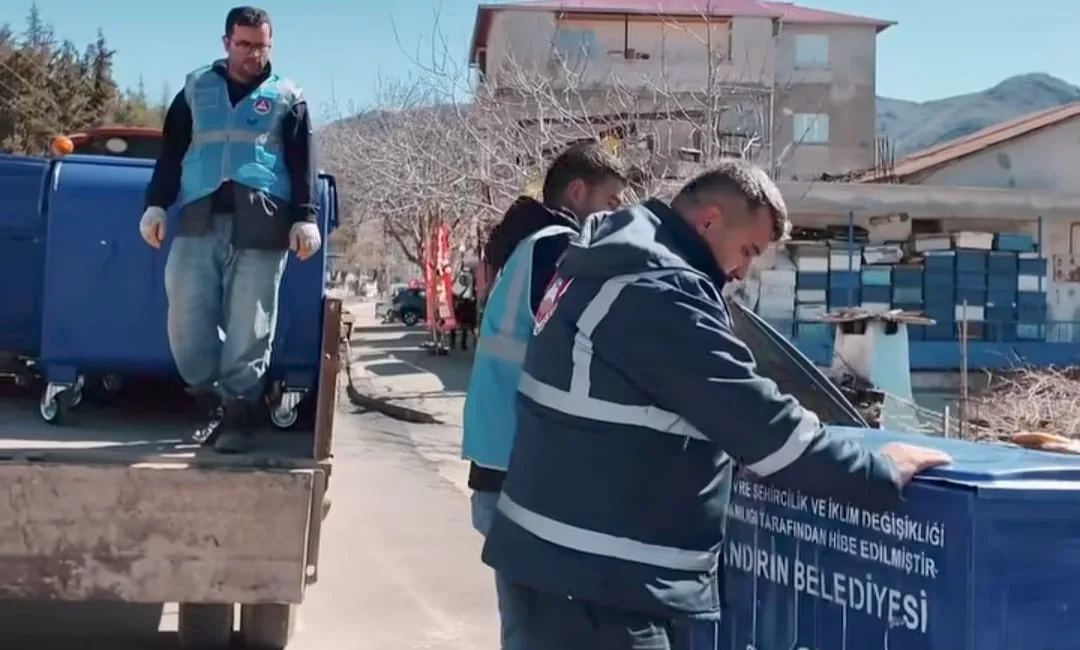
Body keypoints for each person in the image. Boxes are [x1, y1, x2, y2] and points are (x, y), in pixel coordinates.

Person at [479, 160, 953, 650]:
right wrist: (878, 471)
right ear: (708, 220)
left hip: (564, 569)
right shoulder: (659, 287)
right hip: (599, 587)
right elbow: (762, 428)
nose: (744, 269)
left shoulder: (617, 258)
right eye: (748, 249)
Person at [461, 141, 626, 649]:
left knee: (528, 632)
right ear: (578, 192)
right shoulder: (558, 246)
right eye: (613, 201)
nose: (619, 214)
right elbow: (591, 344)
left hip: (502, 467)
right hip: (527, 476)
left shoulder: (525, 246)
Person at [139, 6, 321, 453]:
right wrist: (156, 205)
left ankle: (238, 413)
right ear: (226, 43)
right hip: (199, 216)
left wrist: (306, 215)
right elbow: (172, 153)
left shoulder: (288, 95)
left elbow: (303, 161)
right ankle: (208, 400)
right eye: (244, 45)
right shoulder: (195, 89)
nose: (253, 55)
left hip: (263, 223)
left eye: (261, 46)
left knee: (250, 326)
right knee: (185, 315)